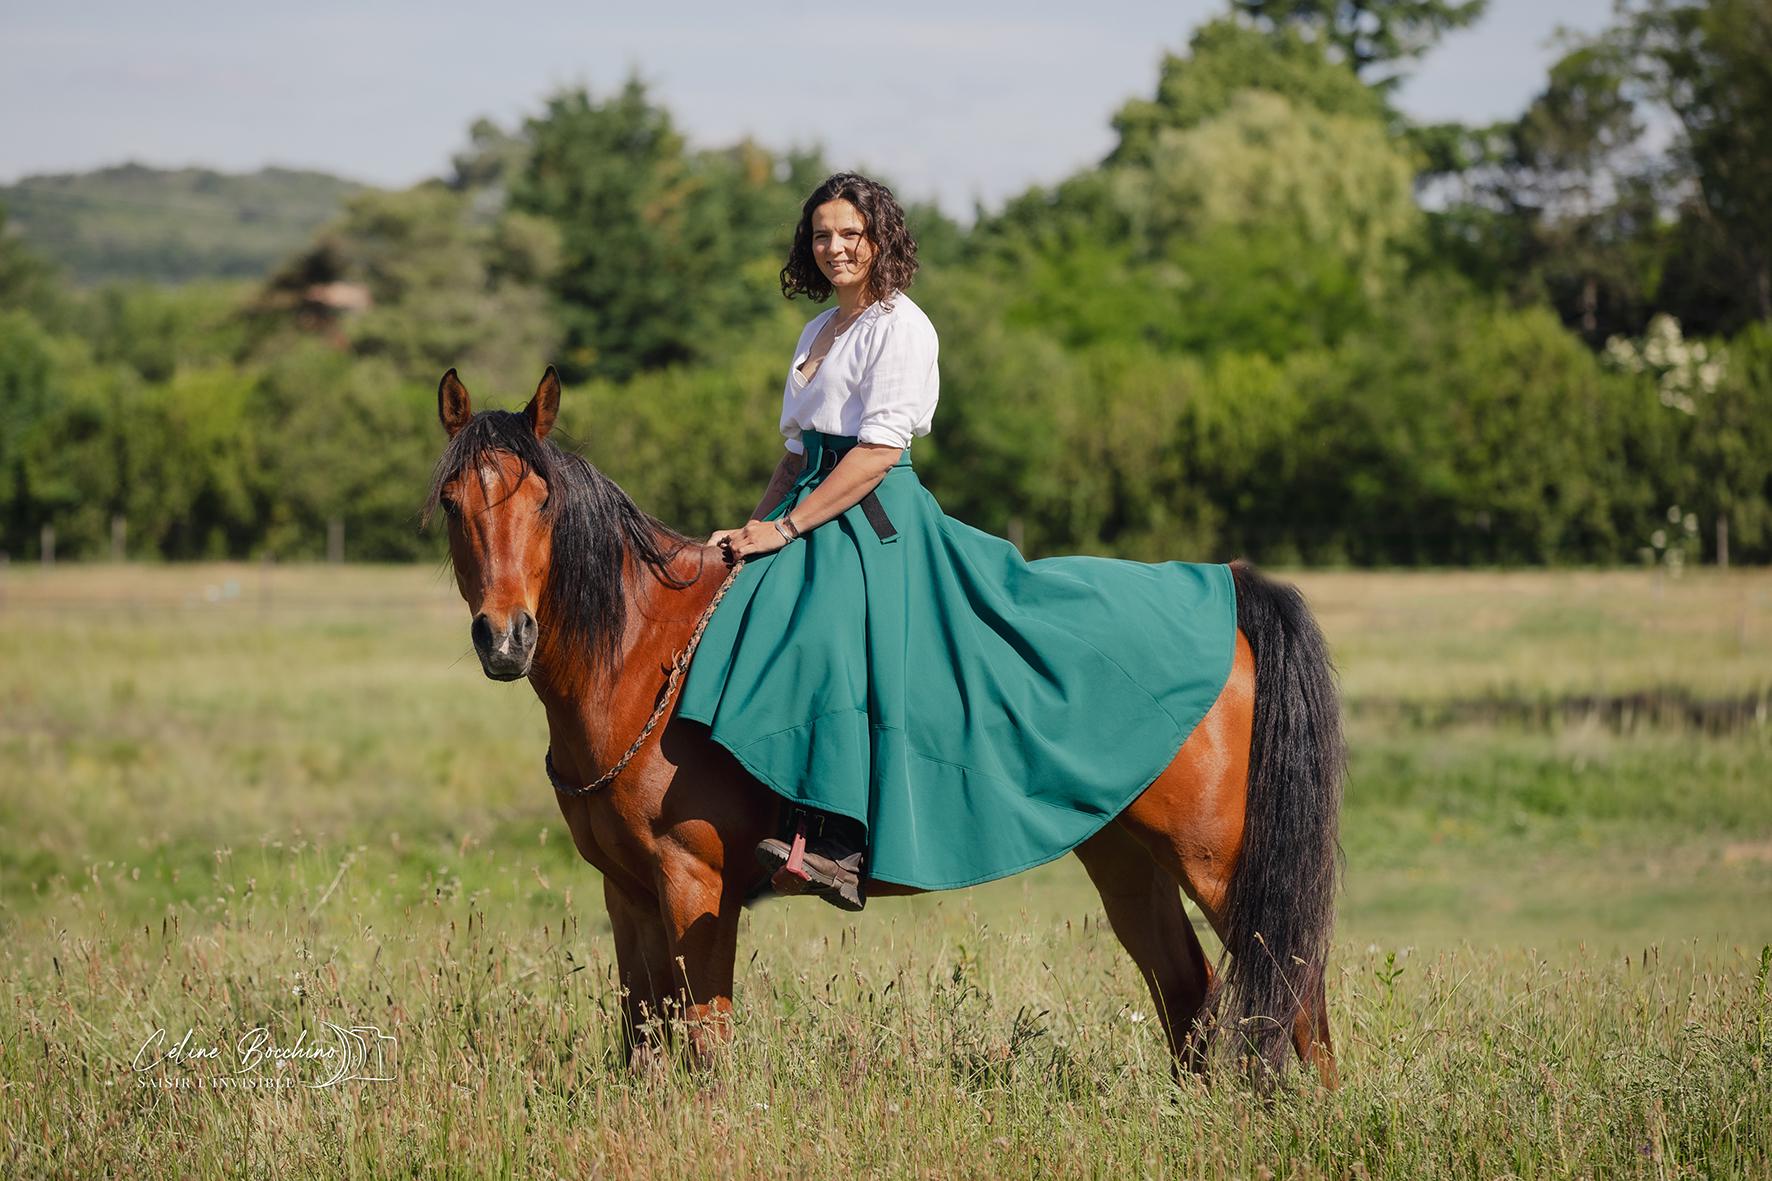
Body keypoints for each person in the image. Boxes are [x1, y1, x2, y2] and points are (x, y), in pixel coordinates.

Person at [675, 172, 1238, 914]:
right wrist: (754, 531)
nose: (835, 247)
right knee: (738, 607)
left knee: (829, 634)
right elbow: (795, 455)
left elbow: (875, 453)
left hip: (874, 513)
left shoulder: (901, 325)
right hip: (814, 503)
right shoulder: (816, 332)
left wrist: (786, 527)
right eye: (822, 235)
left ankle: (839, 841)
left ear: (879, 241)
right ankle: (743, 815)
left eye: (851, 234)